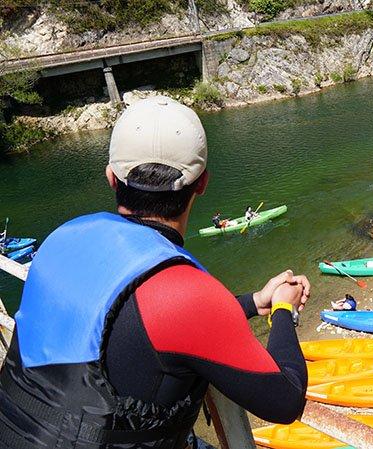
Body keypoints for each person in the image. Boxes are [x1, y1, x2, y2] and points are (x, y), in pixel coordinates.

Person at [0, 96, 310, 449]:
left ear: (111, 177)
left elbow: (131, 327)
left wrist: (255, 302)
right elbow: (286, 401)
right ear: (203, 183)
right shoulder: (185, 292)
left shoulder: (60, 240)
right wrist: (284, 308)